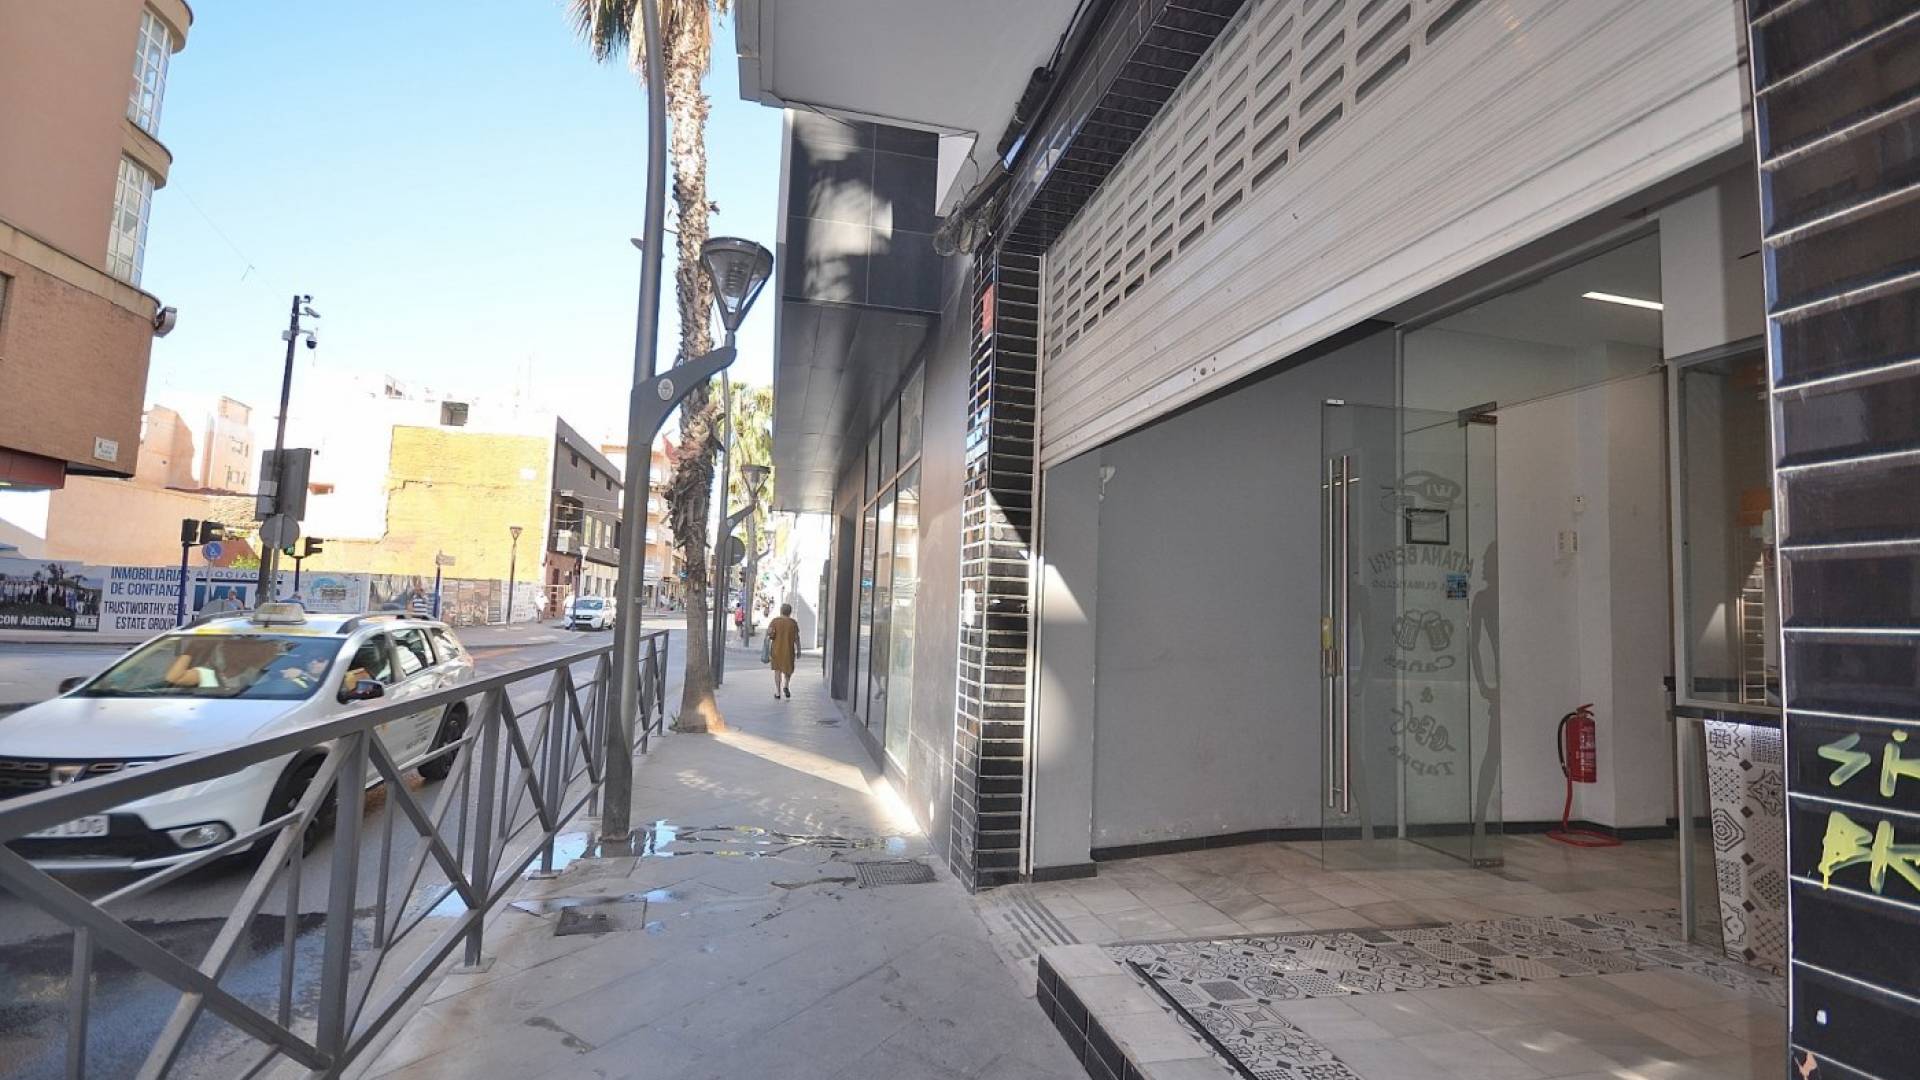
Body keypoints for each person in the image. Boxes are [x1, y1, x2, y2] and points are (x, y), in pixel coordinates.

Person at [767, 603, 799, 700]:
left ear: (781, 611)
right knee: (788, 669)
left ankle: (778, 692)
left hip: (776, 650)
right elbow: (796, 637)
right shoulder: (793, 623)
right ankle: (786, 685)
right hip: (789, 650)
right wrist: (799, 649)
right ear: (790, 612)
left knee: (777, 670)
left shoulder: (775, 621)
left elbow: (770, 634)